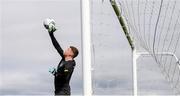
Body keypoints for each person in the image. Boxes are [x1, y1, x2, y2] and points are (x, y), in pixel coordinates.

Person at [46, 24, 79, 95]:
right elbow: (57, 46)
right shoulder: (64, 58)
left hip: (63, 93)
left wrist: (56, 73)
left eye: (68, 49)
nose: (65, 49)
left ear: (71, 54)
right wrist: (51, 34)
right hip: (58, 92)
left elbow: (65, 77)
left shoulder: (70, 64)